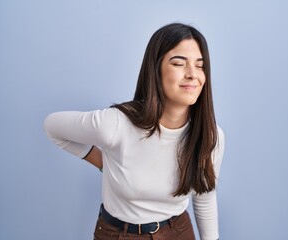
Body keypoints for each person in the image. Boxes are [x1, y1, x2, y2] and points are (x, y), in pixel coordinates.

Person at [44, 23, 224, 240]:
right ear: (155, 70)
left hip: (179, 232)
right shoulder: (116, 124)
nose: (192, 75)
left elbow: (204, 197)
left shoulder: (210, 136)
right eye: (179, 63)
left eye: (200, 65)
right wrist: (102, 161)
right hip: (120, 234)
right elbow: (52, 126)